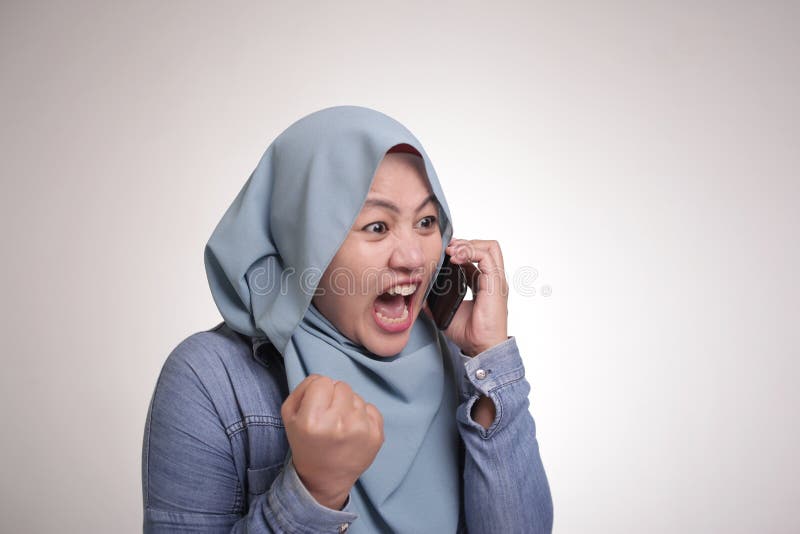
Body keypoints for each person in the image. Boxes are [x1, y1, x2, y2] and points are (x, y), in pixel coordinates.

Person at [141, 105, 553, 533]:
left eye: (427, 222)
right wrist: (312, 493)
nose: (413, 258)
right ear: (303, 239)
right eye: (377, 227)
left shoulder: (459, 360)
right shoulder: (211, 379)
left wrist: (490, 355)